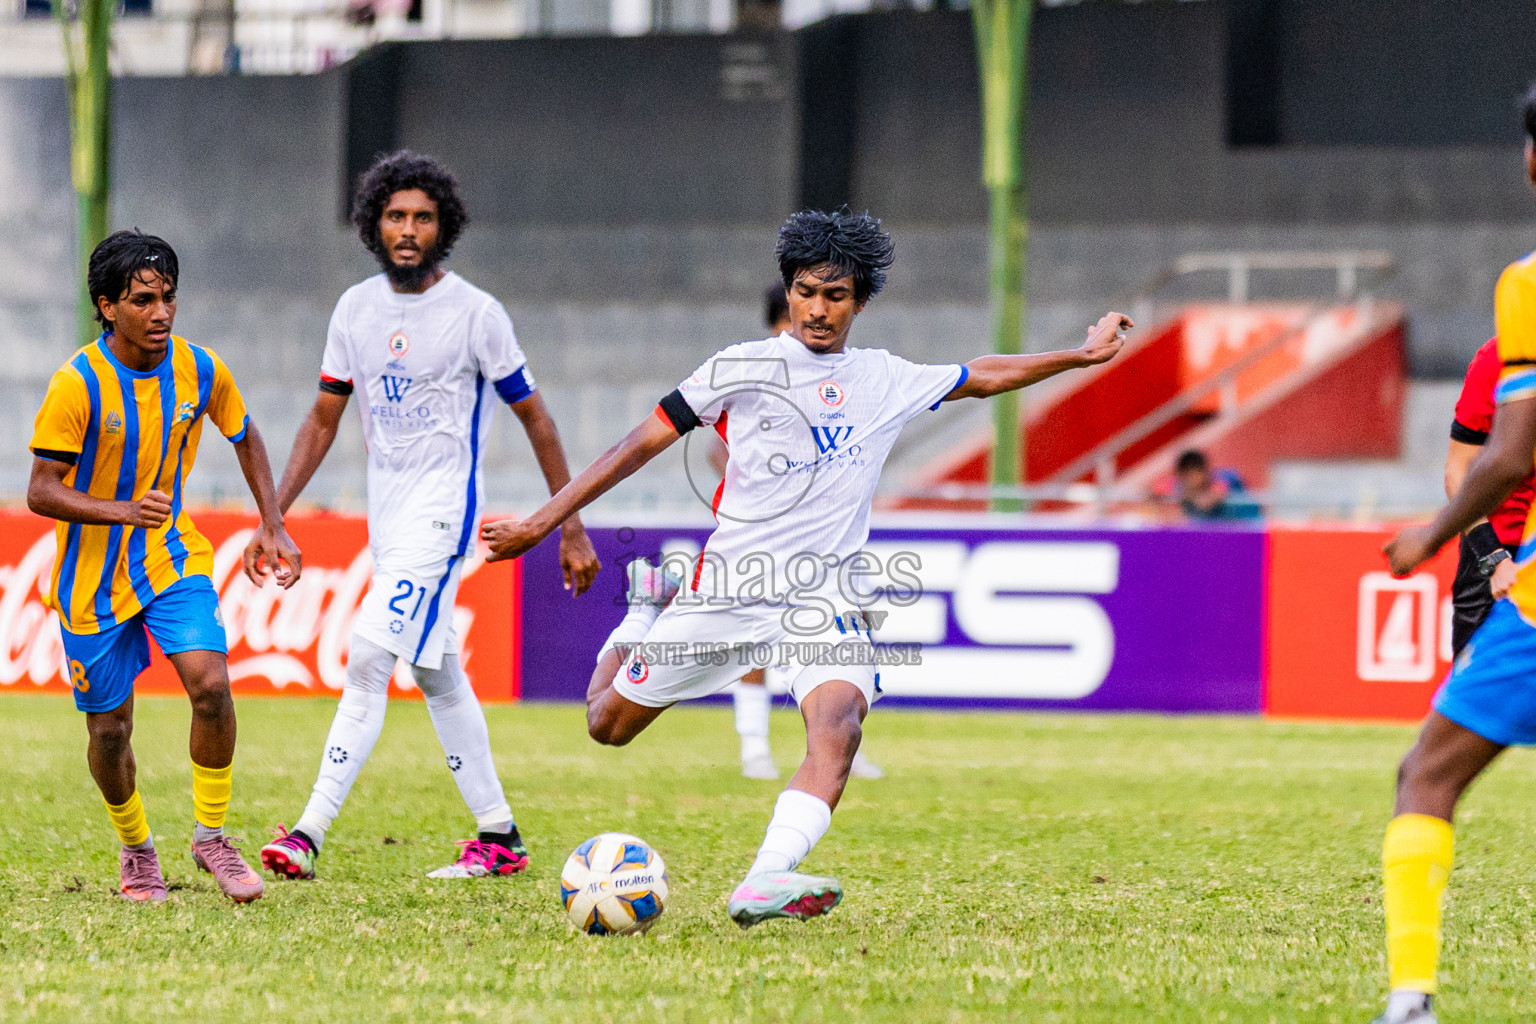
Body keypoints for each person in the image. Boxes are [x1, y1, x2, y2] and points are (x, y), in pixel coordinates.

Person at [482, 209, 1130, 926]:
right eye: (805, 292)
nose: (818, 310)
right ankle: (645, 612)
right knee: (606, 724)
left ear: (859, 300)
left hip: (822, 596)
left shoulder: (884, 378)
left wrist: (1077, 356)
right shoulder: (740, 367)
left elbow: (978, 376)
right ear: (787, 293)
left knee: (840, 725)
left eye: (836, 295)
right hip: (730, 587)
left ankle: (764, 879)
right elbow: (637, 445)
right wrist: (545, 523)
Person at [258, 151, 599, 883]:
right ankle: (499, 835)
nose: (407, 230)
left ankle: (308, 832)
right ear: (373, 224)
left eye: (422, 218)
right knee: (436, 671)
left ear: (444, 228)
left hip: (446, 517)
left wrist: (566, 522)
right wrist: (273, 514)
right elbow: (323, 418)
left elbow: (536, 419)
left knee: (369, 656)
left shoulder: (477, 313)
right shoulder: (353, 310)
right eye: (395, 216)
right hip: (389, 519)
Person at [27, 230, 302, 903]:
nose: (161, 312)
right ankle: (136, 849)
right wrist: (121, 509)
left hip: (171, 555)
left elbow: (245, 434)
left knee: (210, 685)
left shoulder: (200, 369)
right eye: (143, 299)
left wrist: (272, 521)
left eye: (169, 297)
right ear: (106, 306)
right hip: (91, 582)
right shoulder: (76, 384)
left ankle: (211, 837)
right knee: (109, 730)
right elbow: (40, 490)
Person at [1379, 84, 1536, 1024]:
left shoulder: (1527, 285)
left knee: (1427, 775)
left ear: (1530, 160)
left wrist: (1429, 536)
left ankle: (1410, 997)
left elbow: (1513, 450)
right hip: (1513, 571)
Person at [722, 281, 882, 780]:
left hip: (826, 537)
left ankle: (838, 745)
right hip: (760, 536)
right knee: (755, 641)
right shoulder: (756, 377)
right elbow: (717, 444)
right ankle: (754, 747)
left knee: (839, 635)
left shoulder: (836, 379)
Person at [1444, 337, 1532, 656]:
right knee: (1466, 704)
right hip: (1499, 556)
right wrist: (1493, 557)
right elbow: (1456, 472)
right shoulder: (1495, 359)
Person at [1168, 449, 1261, 520]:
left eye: (1190, 473)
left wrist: (1189, 496)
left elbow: (1207, 501)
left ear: (1203, 470)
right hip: (1214, 536)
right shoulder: (1180, 486)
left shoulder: (1224, 477)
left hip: (1248, 527)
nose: (1186, 479)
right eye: (1182, 474)